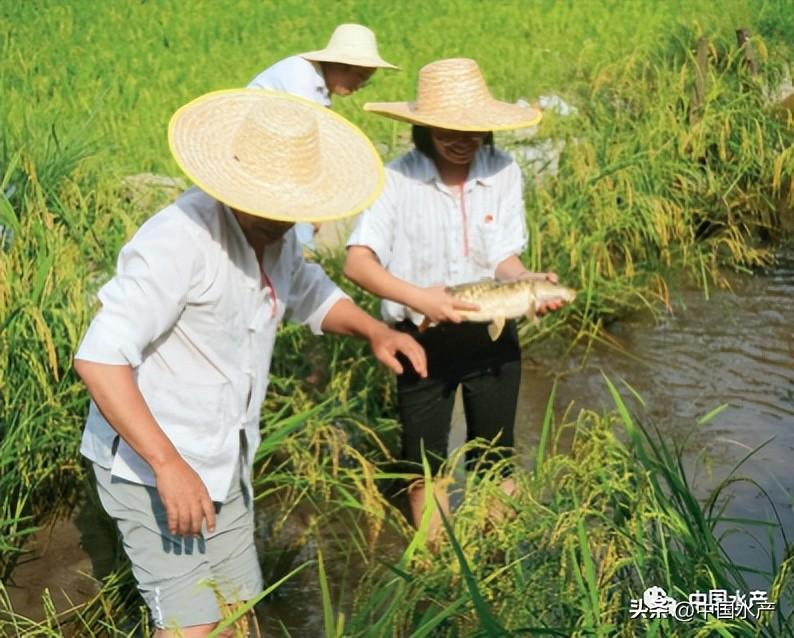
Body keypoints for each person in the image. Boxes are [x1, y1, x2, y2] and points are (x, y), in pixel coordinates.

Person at [73, 89, 426, 637]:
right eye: (270, 204)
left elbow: (310, 291)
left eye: (294, 207)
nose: (284, 220)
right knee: (193, 628)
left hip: (224, 456)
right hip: (150, 464)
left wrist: (376, 330)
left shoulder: (275, 233)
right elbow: (98, 358)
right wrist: (168, 465)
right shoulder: (180, 239)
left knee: (239, 615)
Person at [344, 58, 568, 538]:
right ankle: (434, 567)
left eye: (472, 130)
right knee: (425, 465)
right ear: (424, 127)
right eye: (448, 130)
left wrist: (526, 278)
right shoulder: (394, 181)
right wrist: (419, 299)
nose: (462, 140)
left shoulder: (504, 170)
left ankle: (497, 563)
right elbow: (357, 263)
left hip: (491, 335)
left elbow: (504, 256)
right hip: (420, 339)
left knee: (497, 460)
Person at [248, 23, 398, 249]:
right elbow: (305, 146)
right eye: (360, 77)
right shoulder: (300, 77)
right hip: (253, 153)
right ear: (341, 65)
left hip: (276, 158)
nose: (360, 85)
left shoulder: (319, 86)